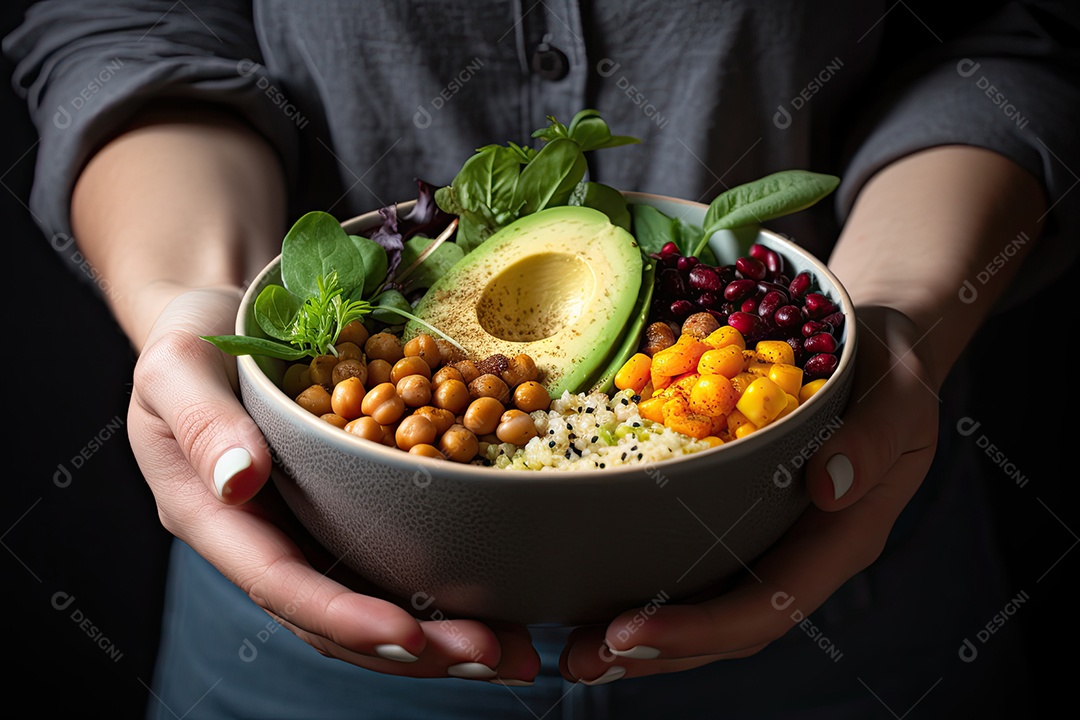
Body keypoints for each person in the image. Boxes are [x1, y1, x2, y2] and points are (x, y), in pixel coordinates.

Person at [5, 0, 1077, 717]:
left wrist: (903, 314)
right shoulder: (409, 383)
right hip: (301, 604)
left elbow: (1009, 32)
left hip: (850, 598)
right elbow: (127, 24)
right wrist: (193, 304)